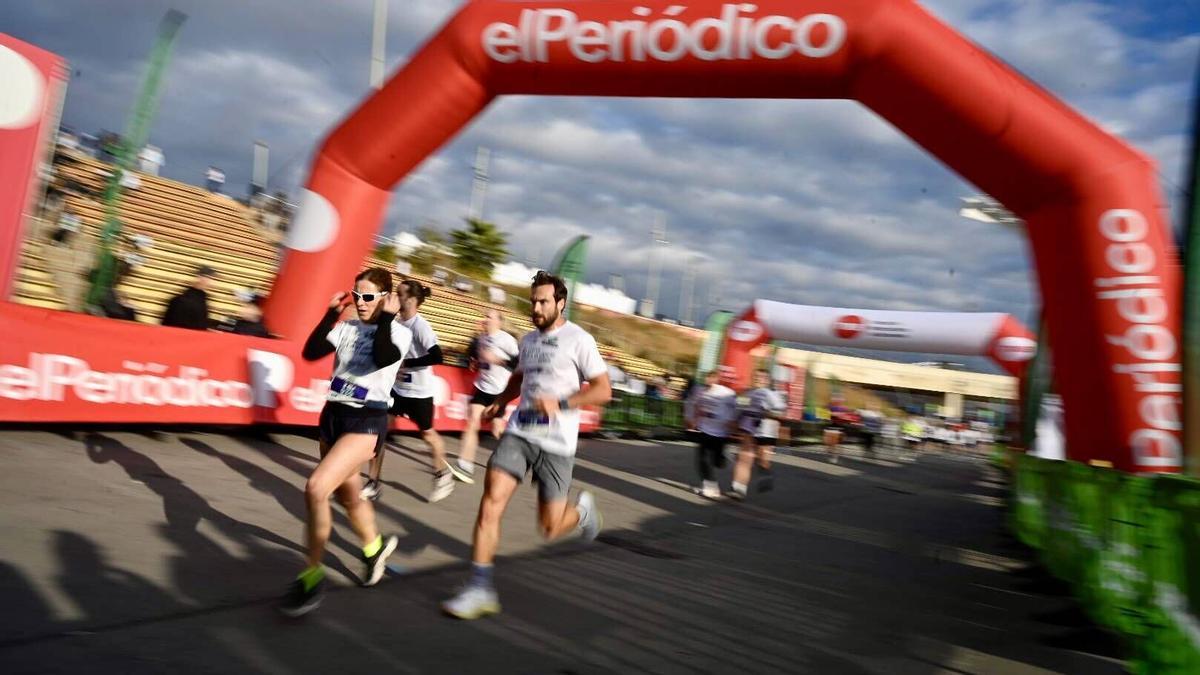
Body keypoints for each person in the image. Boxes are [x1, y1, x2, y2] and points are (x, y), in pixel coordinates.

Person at [442, 271, 611, 620]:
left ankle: (582, 512)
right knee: (491, 503)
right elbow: (520, 376)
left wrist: (561, 404)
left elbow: (603, 390)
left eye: (543, 301)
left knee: (549, 528)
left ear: (560, 303)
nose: (536, 307)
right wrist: (502, 402)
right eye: (533, 300)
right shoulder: (530, 340)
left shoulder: (579, 339)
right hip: (520, 434)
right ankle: (480, 588)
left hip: (557, 444)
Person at [279, 268, 411, 617]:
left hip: (367, 419)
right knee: (348, 495)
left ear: (384, 297)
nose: (361, 302)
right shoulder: (348, 326)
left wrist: (385, 317)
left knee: (316, 488)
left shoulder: (397, 331)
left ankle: (311, 575)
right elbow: (310, 351)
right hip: (334, 415)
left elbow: (384, 357)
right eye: (357, 295)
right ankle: (374, 548)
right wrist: (331, 313)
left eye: (369, 296)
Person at [362, 279, 452, 503]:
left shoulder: (421, 326)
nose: (395, 296)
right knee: (380, 431)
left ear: (411, 299)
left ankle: (443, 474)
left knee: (427, 434)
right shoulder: (398, 322)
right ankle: (374, 482)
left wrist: (407, 365)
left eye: (400, 294)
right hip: (397, 390)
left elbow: (437, 356)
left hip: (419, 393)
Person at [456, 309, 520, 483]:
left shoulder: (507, 340)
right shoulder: (482, 338)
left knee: (497, 429)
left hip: (499, 391)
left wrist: (497, 360)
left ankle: (513, 458)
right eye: (484, 316)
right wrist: (475, 363)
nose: (485, 319)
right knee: (472, 422)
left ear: (499, 322)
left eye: (489, 317)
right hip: (482, 388)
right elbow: (477, 360)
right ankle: (465, 464)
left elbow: (519, 364)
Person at [730, 368, 786, 500]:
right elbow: (738, 409)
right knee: (745, 458)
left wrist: (768, 413)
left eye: (761, 377)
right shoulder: (747, 393)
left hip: (766, 429)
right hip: (748, 427)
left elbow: (781, 413)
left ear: (766, 380)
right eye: (755, 377)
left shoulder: (772, 395)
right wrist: (733, 422)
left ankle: (765, 471)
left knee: (763, 460)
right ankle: (738, 489)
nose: (757, 379)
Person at [684, 369, 738, 499]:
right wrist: (691, 421)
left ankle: (724, 457)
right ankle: (710, 487)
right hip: (704, 429)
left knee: (718, 463)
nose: (708, 381)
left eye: (711, 378)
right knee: (702, 459)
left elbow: (735, 409)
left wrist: (732, 425)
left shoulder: (726, 393)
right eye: (706, 378)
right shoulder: (699, 391)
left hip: (721, 432)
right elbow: (693, 405)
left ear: (716, 379)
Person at [161, 265, 217, 330]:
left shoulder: (204, 299)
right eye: (209, 277)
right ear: (199, 277)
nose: (211, 281)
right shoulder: (181, 300)